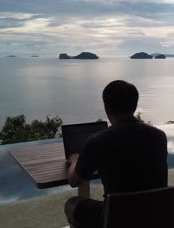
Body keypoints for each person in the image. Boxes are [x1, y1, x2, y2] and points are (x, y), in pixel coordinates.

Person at [65, 80, 168, 228]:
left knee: (71, 203)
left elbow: (73, 181)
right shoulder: (159, 136)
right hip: (153, 216)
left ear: (107, 109)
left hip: (115, 219)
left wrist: (75, 161)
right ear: (134, 106)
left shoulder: (98, 141)